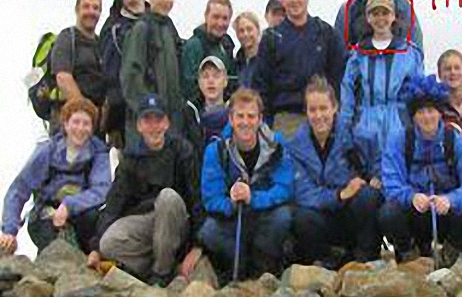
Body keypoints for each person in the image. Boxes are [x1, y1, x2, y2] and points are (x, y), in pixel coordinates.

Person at [379, 74, 462, 263]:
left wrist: (451, 200)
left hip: (445, 211)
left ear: (440, 112)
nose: (426, 117)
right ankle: (409, 254)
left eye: (431, 110)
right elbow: (391, 182)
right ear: (413, 115)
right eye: (420, 112)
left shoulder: (454, 140)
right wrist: (411, 196)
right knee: (388, 213)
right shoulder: (400, 141)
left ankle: (449, 254)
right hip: (415, 211)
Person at [93, 94, 204, 285]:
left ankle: (161, 274)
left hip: (177, 219)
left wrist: (198, 246)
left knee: (167, 198)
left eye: (158, 119)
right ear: (139, 125)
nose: (154, 127)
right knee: (108, 243)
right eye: (147, 120)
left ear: (167, 123)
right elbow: (113, 205)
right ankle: (153, 268)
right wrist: (95, 247)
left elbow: (196, 200)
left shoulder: (182, 150)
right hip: (146, 222)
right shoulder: (130, 159)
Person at [199, 88, 293, 280]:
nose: (245, 122)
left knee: (282, 217)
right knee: (209, 231)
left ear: (260, 119)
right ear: (231, 119)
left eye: (251, 116)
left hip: (263, 215)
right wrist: (231, 201)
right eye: (239, 116)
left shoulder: (276, 146)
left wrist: (254, 198)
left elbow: (285, 188)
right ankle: (237, 267)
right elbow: (210, 199)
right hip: (233, 219)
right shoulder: (216, 150)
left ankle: (264, 269)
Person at [290, 77, 382, 265]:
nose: (318, 115)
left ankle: (365, 257)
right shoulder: (295, 147)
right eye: (312, 109)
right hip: (322, 215)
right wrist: (340, 194)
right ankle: (324, 258)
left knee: (368, 197)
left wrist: (377, 178)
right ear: (306, 112)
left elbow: (380, 161)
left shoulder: (358, 135)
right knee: (301, 217)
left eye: (323, 108)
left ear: (335, 107)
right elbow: (304, 194)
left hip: (353, 215)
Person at [0, 98, 110, 255]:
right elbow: (19, 189)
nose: (80, 128)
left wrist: (68, 205)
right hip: (46, 215)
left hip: (82, 216)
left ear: (92, 128)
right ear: (65, 124)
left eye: (86, 123)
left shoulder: (99, 153)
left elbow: (102, 190)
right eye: (76, 122)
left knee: (92, 221)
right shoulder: (47, 151)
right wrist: (9, 230)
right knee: (54, 251)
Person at [253, 0, 346, 139]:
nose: (294, 0)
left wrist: (333, 114)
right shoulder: (272, 38)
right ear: (282, 0)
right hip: (286, 120)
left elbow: (338, 78)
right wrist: (265, 126)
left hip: (322, 117)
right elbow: (261, 86)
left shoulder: (326, 34)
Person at [340, 0, 423, 149]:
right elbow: (347, 95)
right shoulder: (357, 55)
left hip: (400, 129)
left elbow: (419, 96)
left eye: (385, 13)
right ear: (368, 18)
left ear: (393, 16)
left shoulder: (410, 53)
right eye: (375, 13)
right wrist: (345, 134)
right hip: (364, 131)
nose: (380, 19)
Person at [120, 0, 185, 149]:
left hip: (171, 125)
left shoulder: (171, 30)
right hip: (145, 128)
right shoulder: (141, 29)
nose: (165, 0)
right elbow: (130, 78)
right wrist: (150, 115)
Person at [99, 0, 148, 149]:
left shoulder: (159, 21)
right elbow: (109, 72)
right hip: (124, 114)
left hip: (157, 109)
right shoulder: (111, 27)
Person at [50, 0, 107, 135]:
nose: (91, 12)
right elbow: (63, 77)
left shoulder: (102, 44)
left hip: (96, 128)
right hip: (69, 124)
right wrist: (86, 112)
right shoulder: (67, 38)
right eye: (86, 6)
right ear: (77, 10)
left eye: (95, 8)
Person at [181, 0, 237, 104]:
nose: (220, 23)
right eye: (216, 17)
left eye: (224, 18)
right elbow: (189, 87)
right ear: (206, 16)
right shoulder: (194, 46)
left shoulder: (227, 47)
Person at [191, 56, 229, 143]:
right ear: (199, 82)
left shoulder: (237, 115)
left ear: (225, 81)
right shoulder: (190, 117)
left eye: (216, 76)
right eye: (205, 76)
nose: (210, 81)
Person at [233, 11, 261, 88]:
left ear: (258, 30)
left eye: (249, 29)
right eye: (241, 31)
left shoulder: (268, 60)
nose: (245, 34)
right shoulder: (235, 64)